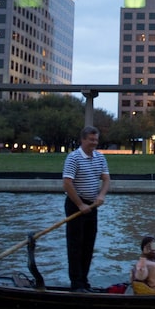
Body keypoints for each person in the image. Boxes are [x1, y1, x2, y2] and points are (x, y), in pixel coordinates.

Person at [62, 125, 111, 291]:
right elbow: (67, 184)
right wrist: (80, 204)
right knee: (75, 245)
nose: (94, 143)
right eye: (91, 139)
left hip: (92, 205)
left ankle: (84, 280)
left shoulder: (100, 157)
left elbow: (106, 179)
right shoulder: (73, 158)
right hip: (75, 205)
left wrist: (101, 195)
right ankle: (76, 283)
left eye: (96, 139)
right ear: (83, 139)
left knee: (89, 245)